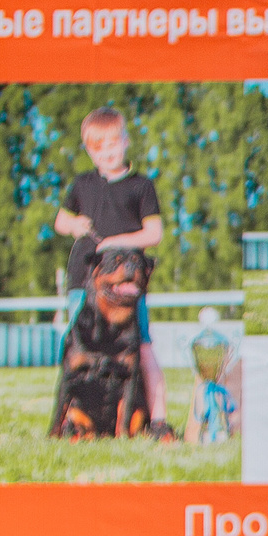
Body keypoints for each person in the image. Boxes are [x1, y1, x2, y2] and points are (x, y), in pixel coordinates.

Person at [54, 106, 169, 434]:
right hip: (83, 281)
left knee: (142, 347)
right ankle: (71, 421)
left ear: (126, 141)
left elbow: (154, 233)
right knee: (77, 352)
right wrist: (74, 223)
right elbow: (60, 222)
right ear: (89, 150)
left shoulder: (142, 186)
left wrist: (116, 242)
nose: (106, 152)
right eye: (97, 146)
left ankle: (159, 420)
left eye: (112, 143)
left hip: (127, 287)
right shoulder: (81, 184)